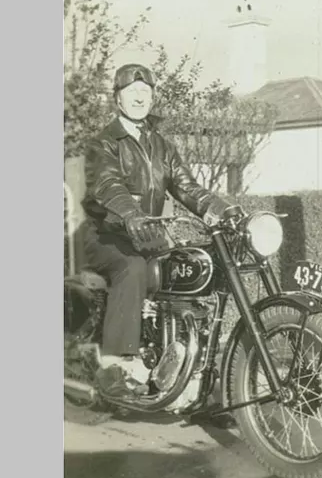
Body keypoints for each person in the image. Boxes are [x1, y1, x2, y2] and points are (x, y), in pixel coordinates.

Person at [79, 63, 231, 394]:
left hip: (146, 233)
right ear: (117, 98)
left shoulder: (161, 146)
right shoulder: (103, 143)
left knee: (188, 267)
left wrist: (224, 211)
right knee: (132, 268)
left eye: (145, 92)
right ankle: (117, 364)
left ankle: (194, 365)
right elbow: (108, 185)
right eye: (131, 91)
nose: (139, 97)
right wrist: (130, 213)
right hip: (106, 233)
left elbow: (188, 187)